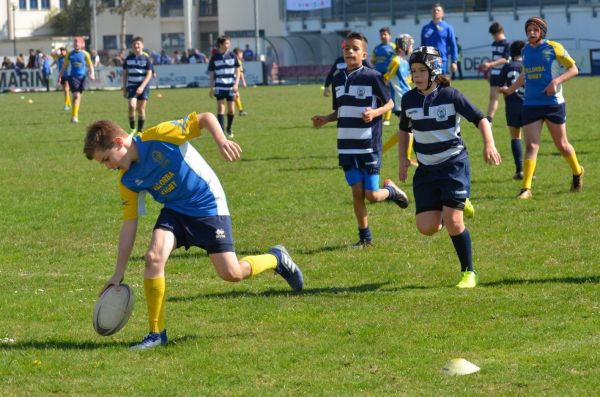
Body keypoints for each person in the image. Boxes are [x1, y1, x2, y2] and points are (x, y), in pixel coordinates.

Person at [83, 111, 304, 350]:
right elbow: (129, 224)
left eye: (106, 159)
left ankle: (276, 258)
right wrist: (118, 272)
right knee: (153, 258)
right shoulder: (127, 180)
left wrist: (222, 142)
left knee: (232, 273)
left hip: (208, 204)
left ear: (118, 143)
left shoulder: (159, 136)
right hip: (175, 210)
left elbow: (206, 118)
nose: (108, 167)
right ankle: (156, 334)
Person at [396, 46, 501, 288]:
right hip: (426, 170)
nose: (416, 75)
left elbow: (481, 118)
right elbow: (404, 130)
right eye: (413, 71)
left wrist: (489, 144)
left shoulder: (450, 95)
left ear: (434, 71)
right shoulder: (409, 99)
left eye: (422, 70)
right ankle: (457, 202)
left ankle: (469, 272)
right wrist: (403, 157)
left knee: (454, 222)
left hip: (453, 165)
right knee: (427, 227)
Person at [311, 32, 409, 248]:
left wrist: (375, 113)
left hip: (369, 146)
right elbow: (340, 110)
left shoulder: (373, 76)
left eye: (355, 49)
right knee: (357, 193)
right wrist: (325, 119)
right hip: (346, 146)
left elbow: (390, 104)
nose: (350, 52)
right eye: (347, 48)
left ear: (364, 54)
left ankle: (391, 191)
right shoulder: (337, 79)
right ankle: (365, 238)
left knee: (372, 195)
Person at [500, 17, 584, 199]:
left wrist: (556, 81)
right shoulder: (526, 51)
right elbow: (525, 74)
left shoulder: (554, 47)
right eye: (529, 30)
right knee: (531, 146)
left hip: (553, 104)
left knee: (562, 145)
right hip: (530, 105)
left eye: (535, 30)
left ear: (542, 32)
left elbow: (574, 69)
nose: (531, 33)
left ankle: (577, 173)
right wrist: (510, 89)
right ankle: (526, 189)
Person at [382, 34, 416, 165]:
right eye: (411, 45)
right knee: (409, 129)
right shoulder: (395, 61)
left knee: (407, 130)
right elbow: (386, 78)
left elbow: (407, 81)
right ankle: (403, 158)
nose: (412, 47)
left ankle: (380, 152)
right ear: (405, 46)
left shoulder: (405, 62)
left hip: (407, 98)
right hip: (400, 100)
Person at [498, 40, 526, 180]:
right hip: (528, 105)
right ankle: (530, 171)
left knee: (515, 137)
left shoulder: (507, 67)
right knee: (531, 140)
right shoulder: (527, 66)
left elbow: (499, 87)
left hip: (512, 106)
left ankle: (520, 170)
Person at [57, 37, 95, 123]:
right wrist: (60, 76)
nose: (76, 44)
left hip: (83, 78)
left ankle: (74, 115)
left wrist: (92, 73)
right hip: (73, 77)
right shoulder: (70, 54)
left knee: (78, 97)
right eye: (75, 42)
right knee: (76, 96)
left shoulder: (85, 54)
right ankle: (74, 117)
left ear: (82, 44)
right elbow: (64, 66)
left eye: (78, 42)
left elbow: (90, 65)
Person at [208, 35, 240, 137]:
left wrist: (236, 85)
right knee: (220, 109)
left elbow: (238, 70)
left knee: (231, 110)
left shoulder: (232, 56)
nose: (228, 45)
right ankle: (221, 132)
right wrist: (211, 88)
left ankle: (229, 129)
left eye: (229, 43)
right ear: (220, 44)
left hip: (231, 87)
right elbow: (212, 73)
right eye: (226, 43)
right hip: (220, 87)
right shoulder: (214, 57)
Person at [479, 22, 510, 124]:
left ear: (501, 32)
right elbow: (494, 58)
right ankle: (489, 121)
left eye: (495, 35)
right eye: (492, 35)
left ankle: (511, 119)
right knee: (493, 97)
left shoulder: (507, 44)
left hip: (505, 74)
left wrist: (491, 64)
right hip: (495, 74)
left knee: (508, 98)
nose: (494, 37)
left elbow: (505, 59)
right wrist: (490, 71)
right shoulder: (494, 44)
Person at [122, 36, 154, 134]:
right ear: (132, 47)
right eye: (134, 44)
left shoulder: (146, 59)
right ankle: (132, 129)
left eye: (138, 44)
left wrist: (142, 86)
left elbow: (149, 74)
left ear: (142, 46)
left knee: (141, 109)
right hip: (131, 86)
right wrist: (124, 87)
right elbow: (125, 74)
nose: (136, 46)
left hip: (143, 87)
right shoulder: (128, 59)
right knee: (132, 106)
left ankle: (140, 131)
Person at [420, 3, 458, 78]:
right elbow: (422, 46)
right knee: (430, 88)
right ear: (431, 13)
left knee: (443, 88)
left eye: (438, 10)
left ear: (442, 14)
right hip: (428, 62)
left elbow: (453, 45)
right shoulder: (425, 28)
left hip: (442, 62)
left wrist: (454, 61)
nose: (436, 12)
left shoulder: (448, 28)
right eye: (434, 10)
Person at [371, 27, 396, 126]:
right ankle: (378, 115)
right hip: (378, 76)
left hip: (388, 76)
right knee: (378, 96)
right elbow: (372, 62)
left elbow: (396, 61)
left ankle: (387, 118)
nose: (383, 36)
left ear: (390, 36)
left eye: (385, 34)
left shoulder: (394, 47)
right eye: (381, 34)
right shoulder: (376, 48)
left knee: (388, 96)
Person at [232, 47, 249, 116]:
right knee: (235, 95)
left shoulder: (232, 60)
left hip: (231, 79)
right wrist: (244, 81)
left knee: (235, 95)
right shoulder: (238, 61)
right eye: (241, 53)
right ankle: (239, 111)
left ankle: (240, 111)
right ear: (237, 54)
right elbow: (240, 72)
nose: (242, 55)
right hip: (232, 80)